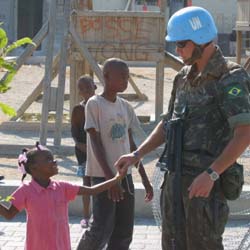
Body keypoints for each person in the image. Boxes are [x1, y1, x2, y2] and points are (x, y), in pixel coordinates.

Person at [115, 6, 250, 250]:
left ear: (201, 40)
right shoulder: (183, 77)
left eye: (181, 44)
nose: (176, 50)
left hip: (204, 187)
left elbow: (245, 133)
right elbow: (169, 123)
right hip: (174, 182)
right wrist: (138, 154)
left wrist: (212, 174)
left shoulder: (230, 77)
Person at [76, 58, 153, 250]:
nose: (126, 81)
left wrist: (143, 178)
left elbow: (131, 145)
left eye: (128, 77)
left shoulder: (125, 106)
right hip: (103, 176)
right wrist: (110, 180)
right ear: (107, 77)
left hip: (124, 176)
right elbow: (95, 142)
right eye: (122, 77)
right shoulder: (94, 104)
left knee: (124, 231)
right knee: (101, 229)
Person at [0, 142, 124, 250]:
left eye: (53, 158)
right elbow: (9, 214)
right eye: (48, 159)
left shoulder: (63, 187)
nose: (55, 161)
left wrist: (116, 178)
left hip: (61, 246)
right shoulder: (25, 190)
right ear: (34, 167)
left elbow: (91, 190)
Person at [71, 75, 96, 228]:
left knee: (100, 182)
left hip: (100, 151)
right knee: (86, 183)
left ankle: (99, 215)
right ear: (79, 92)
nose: (86, 91)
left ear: (95, 87)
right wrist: (80, 145)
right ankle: (86, 216)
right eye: (83, 89)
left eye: (89, 87)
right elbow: (74, 131)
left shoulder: (101, 106)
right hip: (84, 151)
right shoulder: (78, 109)